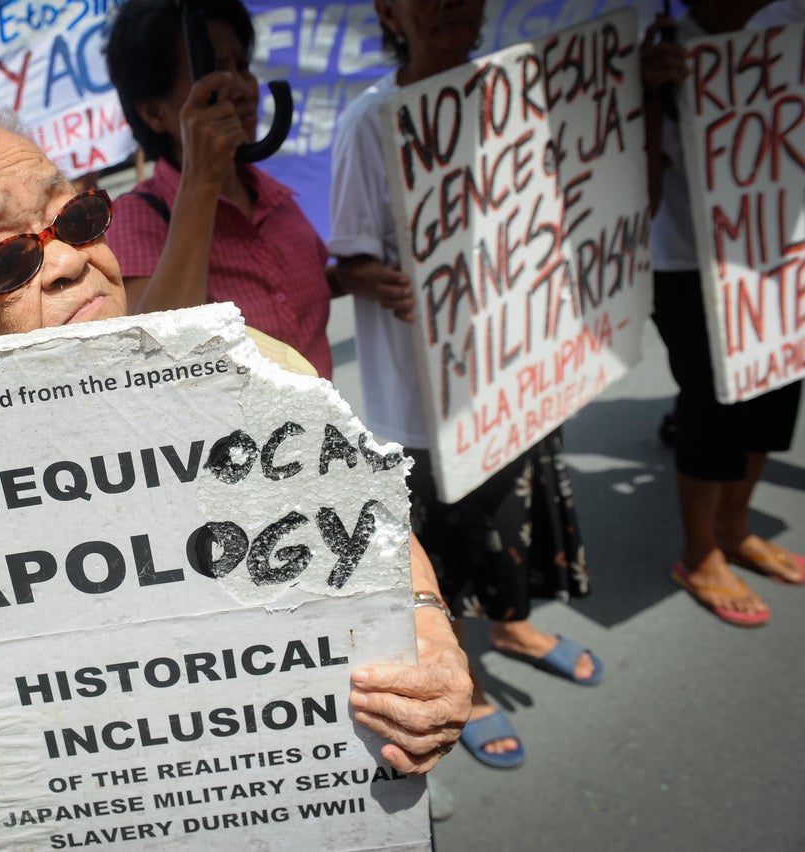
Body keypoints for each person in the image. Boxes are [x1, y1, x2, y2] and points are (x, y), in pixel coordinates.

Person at [0, 93, 471, 804]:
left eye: (75, 217)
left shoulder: (246, 369)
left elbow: (366, 529)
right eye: (7, 259)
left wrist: (427, 626)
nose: (71, 260)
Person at [329, 0, 604, 770]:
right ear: (391, 10)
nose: (453, 10)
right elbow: (346, 262)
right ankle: (466, 677)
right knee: (447, 543)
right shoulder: (369, 121)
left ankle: (513, 624)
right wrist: (386, 282)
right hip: (423, 396)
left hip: (513, 374)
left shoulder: (511, 92)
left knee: (509, 520)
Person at [642, 0, 799, 630]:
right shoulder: (654, 48)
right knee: (712, 403)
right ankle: (699, 551)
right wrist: (649, 94)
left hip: (781, 249)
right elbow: (638, 184)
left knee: (778, 385)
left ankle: (735, 527)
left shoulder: (789, 23)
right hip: (687, 260)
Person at [102, 0, 339, 379]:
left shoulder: (275, 201)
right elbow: (157, 359)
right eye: (214, 73)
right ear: (154, 112)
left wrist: (353, 279)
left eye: (242, 66)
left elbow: (290, 297)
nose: (243, 88)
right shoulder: (137, 218)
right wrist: (203, 180)